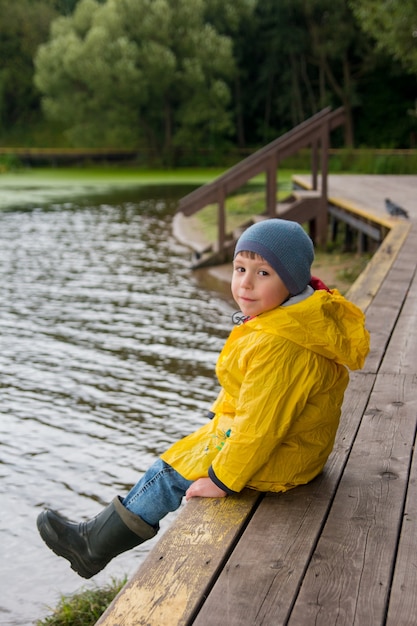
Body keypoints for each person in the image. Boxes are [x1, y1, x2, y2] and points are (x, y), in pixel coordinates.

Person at [37, 218, 370, 579]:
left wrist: (222, 481)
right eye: (240, 268)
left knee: (167, 474)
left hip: (282, 458)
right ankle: (93, 538)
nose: (244, 283)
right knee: (181, 452)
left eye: (263, 274)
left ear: (290, 281)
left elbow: (260, 429)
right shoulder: (285, 320)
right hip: (296, 444)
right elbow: (250, 395)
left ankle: (92, 548)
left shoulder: (282, 343)